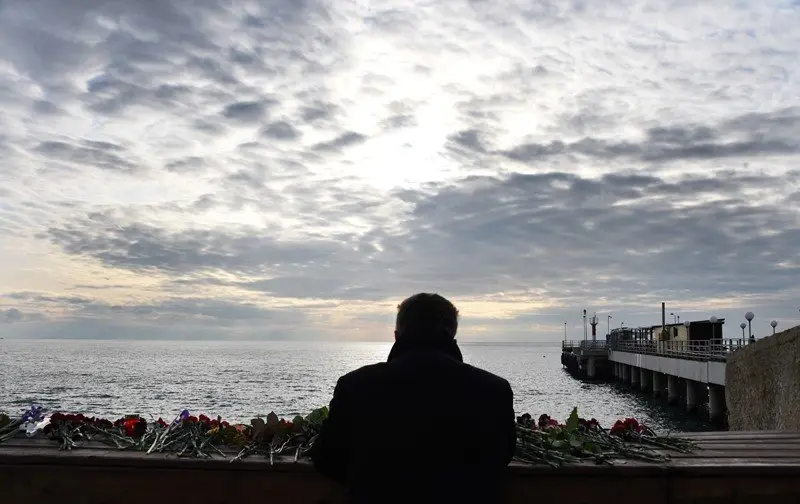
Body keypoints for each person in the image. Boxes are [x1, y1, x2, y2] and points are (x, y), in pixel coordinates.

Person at [311, 293, 517, 504]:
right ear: (452, 337)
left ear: (396, 335)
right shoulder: (494, 390)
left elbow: (327, 461)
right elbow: (501, 458)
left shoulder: (355, 385)